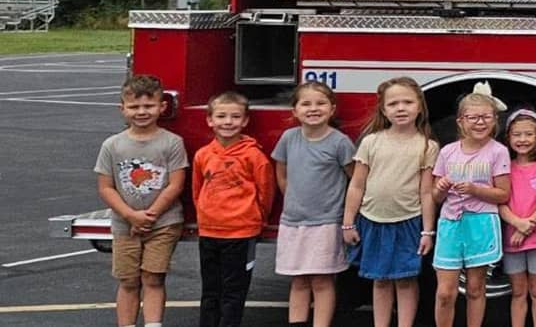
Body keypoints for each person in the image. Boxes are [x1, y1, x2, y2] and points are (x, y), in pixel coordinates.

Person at [344, 77, 440, 327]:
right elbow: (356, 185)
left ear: (419, 106)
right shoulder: (371, 142)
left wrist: (427, 231)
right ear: (383, 110)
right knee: (381, 279)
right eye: (393, 103)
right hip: (372, 221)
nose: (401, 108)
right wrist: (348, 223)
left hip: (408, 222)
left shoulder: (427, 146)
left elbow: (426, 192)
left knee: (406, 279)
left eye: (407, 102)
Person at [97, 74, 188, 327]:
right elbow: (106, 187)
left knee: (153, 277)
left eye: (148, 106)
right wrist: (130, 215)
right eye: (134, 107)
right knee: (127, 280)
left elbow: (176, 184)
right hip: (124, 224)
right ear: (122, 109)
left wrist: (149, 217)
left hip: (163, 223)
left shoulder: (172, 143)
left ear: (162, 107)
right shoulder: (112, 145)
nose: (141, 112)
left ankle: (153, 323)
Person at [272, 82, 356, 327]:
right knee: (298, 279)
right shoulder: (289, 138)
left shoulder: (340, 143)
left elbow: (355, 178)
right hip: (293, 222)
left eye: (320, 103)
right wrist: (293, 201)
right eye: (305, 104)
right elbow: (282, 173)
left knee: (321, 280)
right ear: (294, 110)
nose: (313, 108)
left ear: (332, 109)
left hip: (326, 222)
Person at [431, 91, 515, 327]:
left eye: (486, 117)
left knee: (476, 288)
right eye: (473, 117)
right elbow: (435, 196)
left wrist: (475, 190)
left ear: (495, 121)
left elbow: (503, 194)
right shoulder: (447, 151)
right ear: (461, 121)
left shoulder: (498, 151)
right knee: (445, 291)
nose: (480, 122)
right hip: (451, 223)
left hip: (481, 222)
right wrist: (441, 187)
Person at [193, 91, 273, 327]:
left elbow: (265, 192)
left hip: (241, 233)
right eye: (221, 116)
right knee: (210, 290)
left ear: (245, 121)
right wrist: (204, 216)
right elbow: (197, 190)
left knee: (234, 292)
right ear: (210, 120)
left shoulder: (254, 156)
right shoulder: (203, 155)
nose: (228, 122)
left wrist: (257, 219)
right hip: (209, 232)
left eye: (235, 117)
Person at [501, 109, 536, 327]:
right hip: (511, 236)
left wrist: (527, 226)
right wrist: (517, 224)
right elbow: (500, 202)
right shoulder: (504, 167)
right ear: (508, 137)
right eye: (517, 135)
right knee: (518, 291)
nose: (522, 140)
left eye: (528, 134)